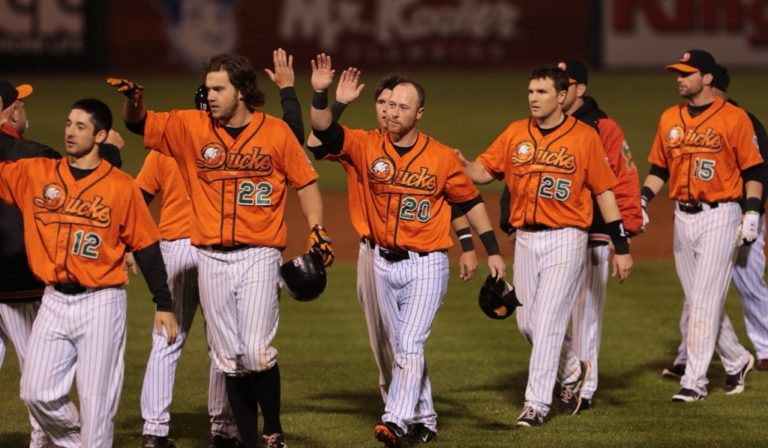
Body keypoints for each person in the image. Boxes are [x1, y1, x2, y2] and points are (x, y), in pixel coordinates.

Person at [118, 50, 329, 448]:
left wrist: (317, 227)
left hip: (259, 253)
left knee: (254, 350)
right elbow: (139, 124)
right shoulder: (190, 126)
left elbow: (306, 182)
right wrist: (134, 103)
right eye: (208, 88)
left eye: (219, 88)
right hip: (209, 255)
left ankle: (273, 429)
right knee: (228, 356)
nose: (210, 95)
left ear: (243, 91)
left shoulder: (276, 133)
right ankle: (247, 440)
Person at [311, 73, 505, 448]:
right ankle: (425, 418)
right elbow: (320, 132)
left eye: (402, 106)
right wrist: (324, 94)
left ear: (419, 112)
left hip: (426, 264)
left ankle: (396, 420)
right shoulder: (364, 144)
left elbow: (470, 203)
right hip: (380, 262)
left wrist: (490, 250)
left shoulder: (443, 157)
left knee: (410, 342)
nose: (392, 113)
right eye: (387, 105)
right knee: (398, 346)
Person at [460, 66, 633, 427]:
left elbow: (604, 191)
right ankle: (574, 368)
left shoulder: (585, 137)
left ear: (561, 96)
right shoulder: (515, 133)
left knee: (551, 319)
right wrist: (458, 164)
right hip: (525, 239)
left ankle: (536, 403)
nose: (534, 98)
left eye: (541, 92)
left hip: (567, 237)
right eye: (530, 92)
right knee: (526, 322)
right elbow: (482, 172)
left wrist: (621, 243)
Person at [0, 98, 178, 446]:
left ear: (100, 136)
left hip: (101, 302)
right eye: (68, 123)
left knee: (98, 404)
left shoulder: (121, 186)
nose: (70, 131)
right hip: (51, 300)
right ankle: (78, 441)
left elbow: (145, 245)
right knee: (36, 392)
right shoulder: (34, 173)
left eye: (80, 126)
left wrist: (164, 301)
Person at [0, 79, 127, 447]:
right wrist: (112, 156)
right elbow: (82, 182)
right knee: (37, 382)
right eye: (19, 103)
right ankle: (62, 441)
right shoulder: (32, 155)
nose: (24, 109)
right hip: (22, 284)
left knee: (36, 385)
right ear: (8, 111)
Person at [641, 49, 764, 402]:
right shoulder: (669, 118)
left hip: (721, 215)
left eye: (686, 73)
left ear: (707, 78)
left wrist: (752, 211)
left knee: (704, 303)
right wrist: (644, 199)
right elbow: (660, 169)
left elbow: (754, 170)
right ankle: (738, 359)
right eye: (677, 73)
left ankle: (694, 382)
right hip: (682, 217)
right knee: (699, 300)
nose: (679, 79)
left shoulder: (734, 118)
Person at [555, 59, 642, 412]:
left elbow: (623, 178)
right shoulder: (545, 122)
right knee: (540, 315)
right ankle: (572, 371)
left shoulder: (604, 127)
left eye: (567, 83)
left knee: (586, 312)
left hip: (593, 232)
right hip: (552, 231)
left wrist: (624, 233)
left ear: (580, 89)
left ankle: (583, 390)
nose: (559, 90)